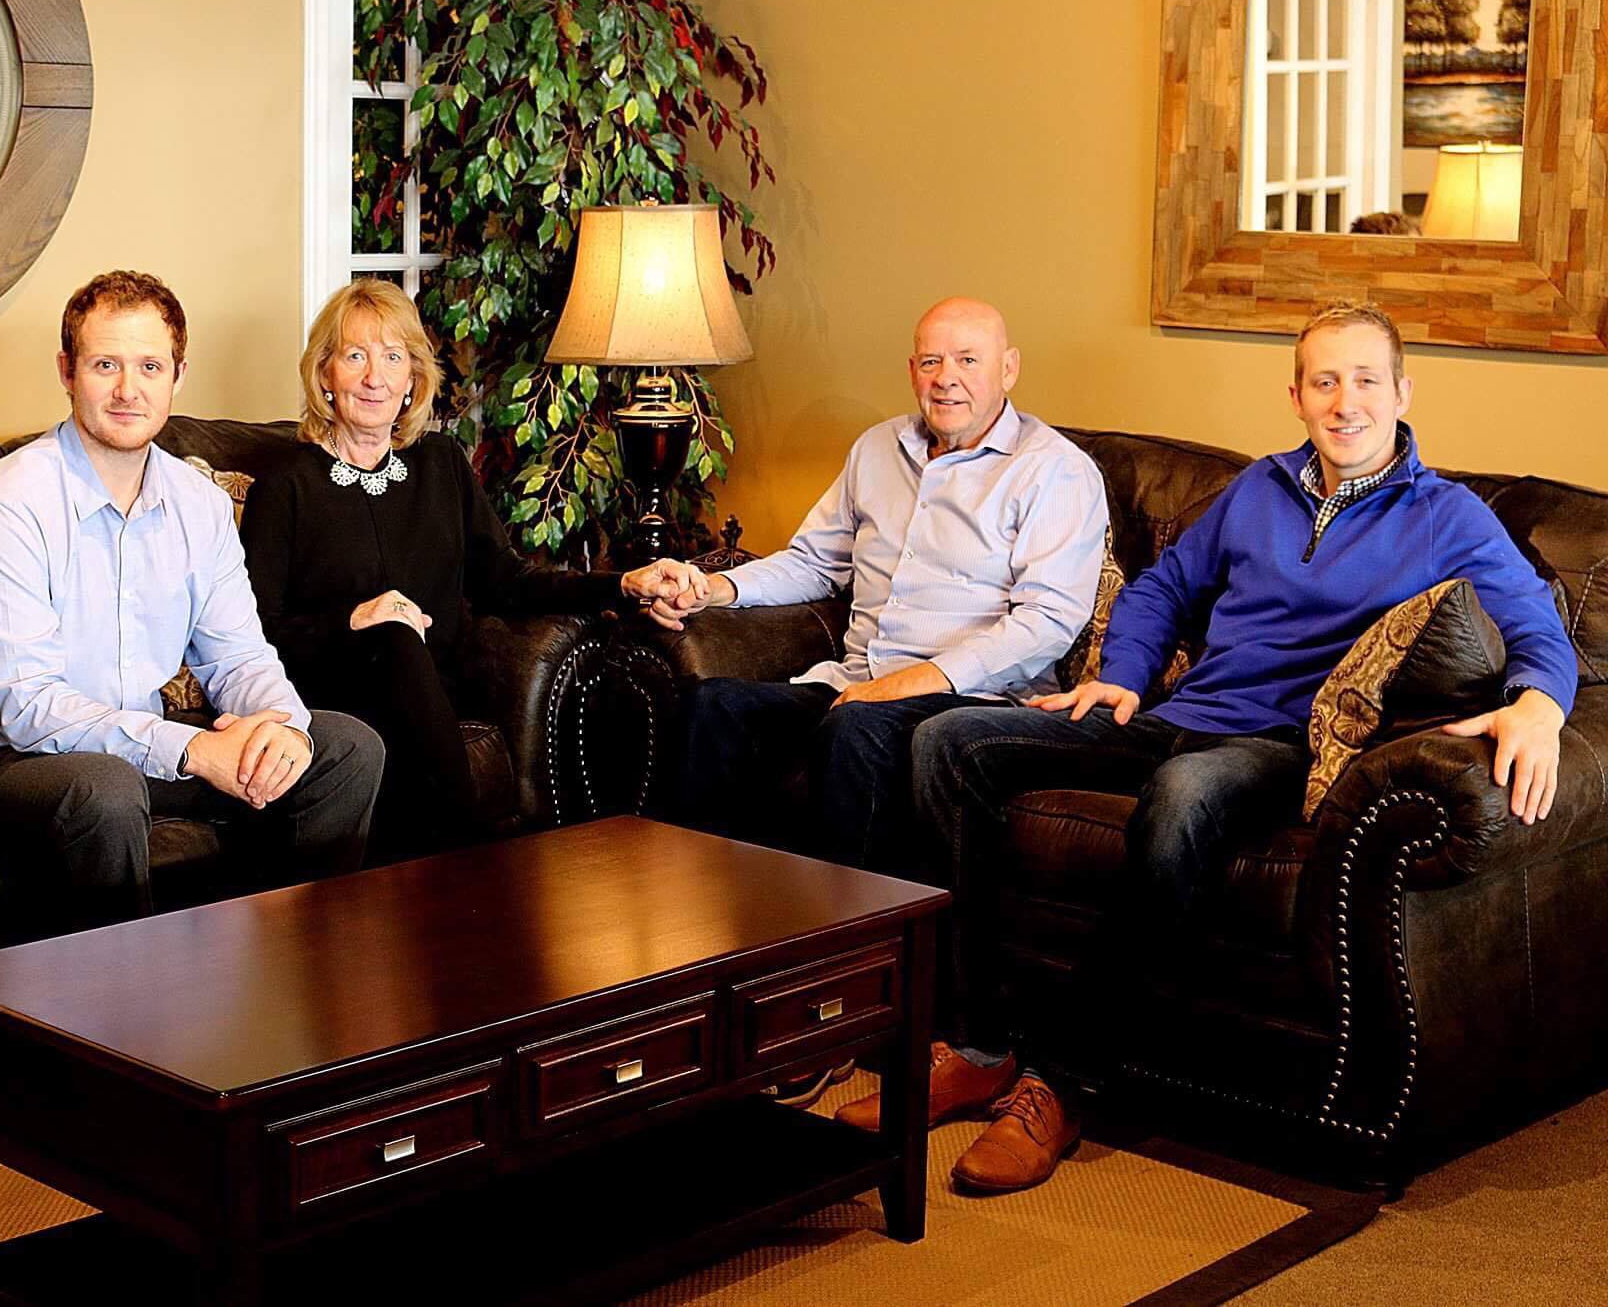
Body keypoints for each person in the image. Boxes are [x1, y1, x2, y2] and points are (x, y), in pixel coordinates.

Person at [897, 300, 1579, 1194]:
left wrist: (1538, 707)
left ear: (1402, 393)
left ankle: (1061, 1082)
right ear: (1296, 395)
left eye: (1365, 381)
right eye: (1324, 381)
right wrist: (1125, 675)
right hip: (1177, 713)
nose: (1345, 402)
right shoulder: (1260, 487)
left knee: (1183, 793)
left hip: (1281, 745)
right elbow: (1162, 587)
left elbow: (1539, 626)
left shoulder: (1447, 515)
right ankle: (977, 1044)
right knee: (949, 742)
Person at [0, 271, 386, 937]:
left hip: (125, 744)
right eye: (106, 365)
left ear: (178, 376)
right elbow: (28, 707)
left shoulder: (200, 505)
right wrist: (194, 750)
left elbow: (238, 656)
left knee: (342, 748)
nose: (128, 390)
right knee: (102, 790)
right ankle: (130, 1002)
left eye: (150, 367)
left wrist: (279, 728)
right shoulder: (8, 504)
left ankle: (278, 971)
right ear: (68, 371)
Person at [240, 278, 704, 857]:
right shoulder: (286, 485)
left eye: (393, 358)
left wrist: (624, 585)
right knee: (394, 634)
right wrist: (355, 619)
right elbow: (254, 631)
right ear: (325, 374)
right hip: (332, 690)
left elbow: (508, 581)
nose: (375, 377)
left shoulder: (440, 464)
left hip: (433, 692)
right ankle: (473, 863)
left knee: (410, 651)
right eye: (355, 356)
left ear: (413, 380)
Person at [664, 297, 1109, 870]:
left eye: (968, 360)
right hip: (855, 683)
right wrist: (712, 588)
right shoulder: (877, 448)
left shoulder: (1054, 470)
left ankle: (849, 926)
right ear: (912, 370)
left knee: (855, 728)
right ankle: (705, 907)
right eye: (931, 362)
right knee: (713, 704)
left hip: (970, 703)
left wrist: (907, 685)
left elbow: (1045, 625)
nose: (946, 378)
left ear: (1008, 369)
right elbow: (814, 562)